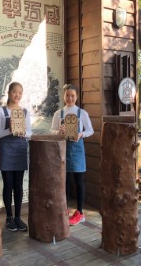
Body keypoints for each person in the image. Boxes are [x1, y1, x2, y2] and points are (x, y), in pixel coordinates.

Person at [50, 84, 94, 226]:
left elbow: (90, 130)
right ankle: (65, 209)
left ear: (76, 97)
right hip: (63, 150)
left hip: (78, 149)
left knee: (79, 182)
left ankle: (80, 212)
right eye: (67, 95)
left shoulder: (82, 113)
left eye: (72, 96)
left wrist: (81, 134)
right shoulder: (59, 113)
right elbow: (52, 130)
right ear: (64, 96)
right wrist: (59, 132)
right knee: (65, 182)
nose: (70, 98)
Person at [0, 82, 32, 232]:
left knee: (18, 185)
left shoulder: (24, 112)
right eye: (14, 92)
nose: (17, 95)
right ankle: (9, 218)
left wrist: (23, 131)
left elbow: (30, 133)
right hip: (6, 150)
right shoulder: (1, 111)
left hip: (20, 149)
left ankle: (18, 217)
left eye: (20, 93)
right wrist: (10, 130)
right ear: (9, 92)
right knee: (8, 184)